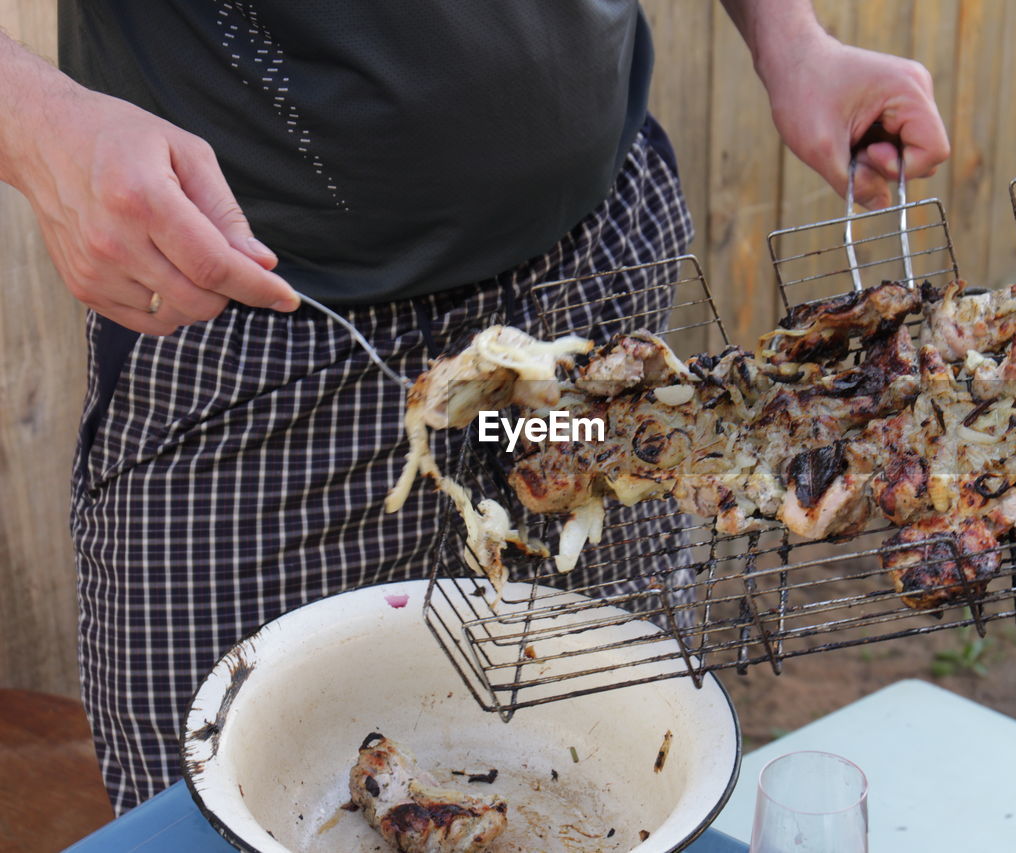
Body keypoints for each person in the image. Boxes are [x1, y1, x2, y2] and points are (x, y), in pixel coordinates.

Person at [0, 1, 949, 813]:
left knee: (615, 767)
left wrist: (793, 42)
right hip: (270, 358)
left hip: (586, 332)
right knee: (242, 789)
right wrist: (39, 126)